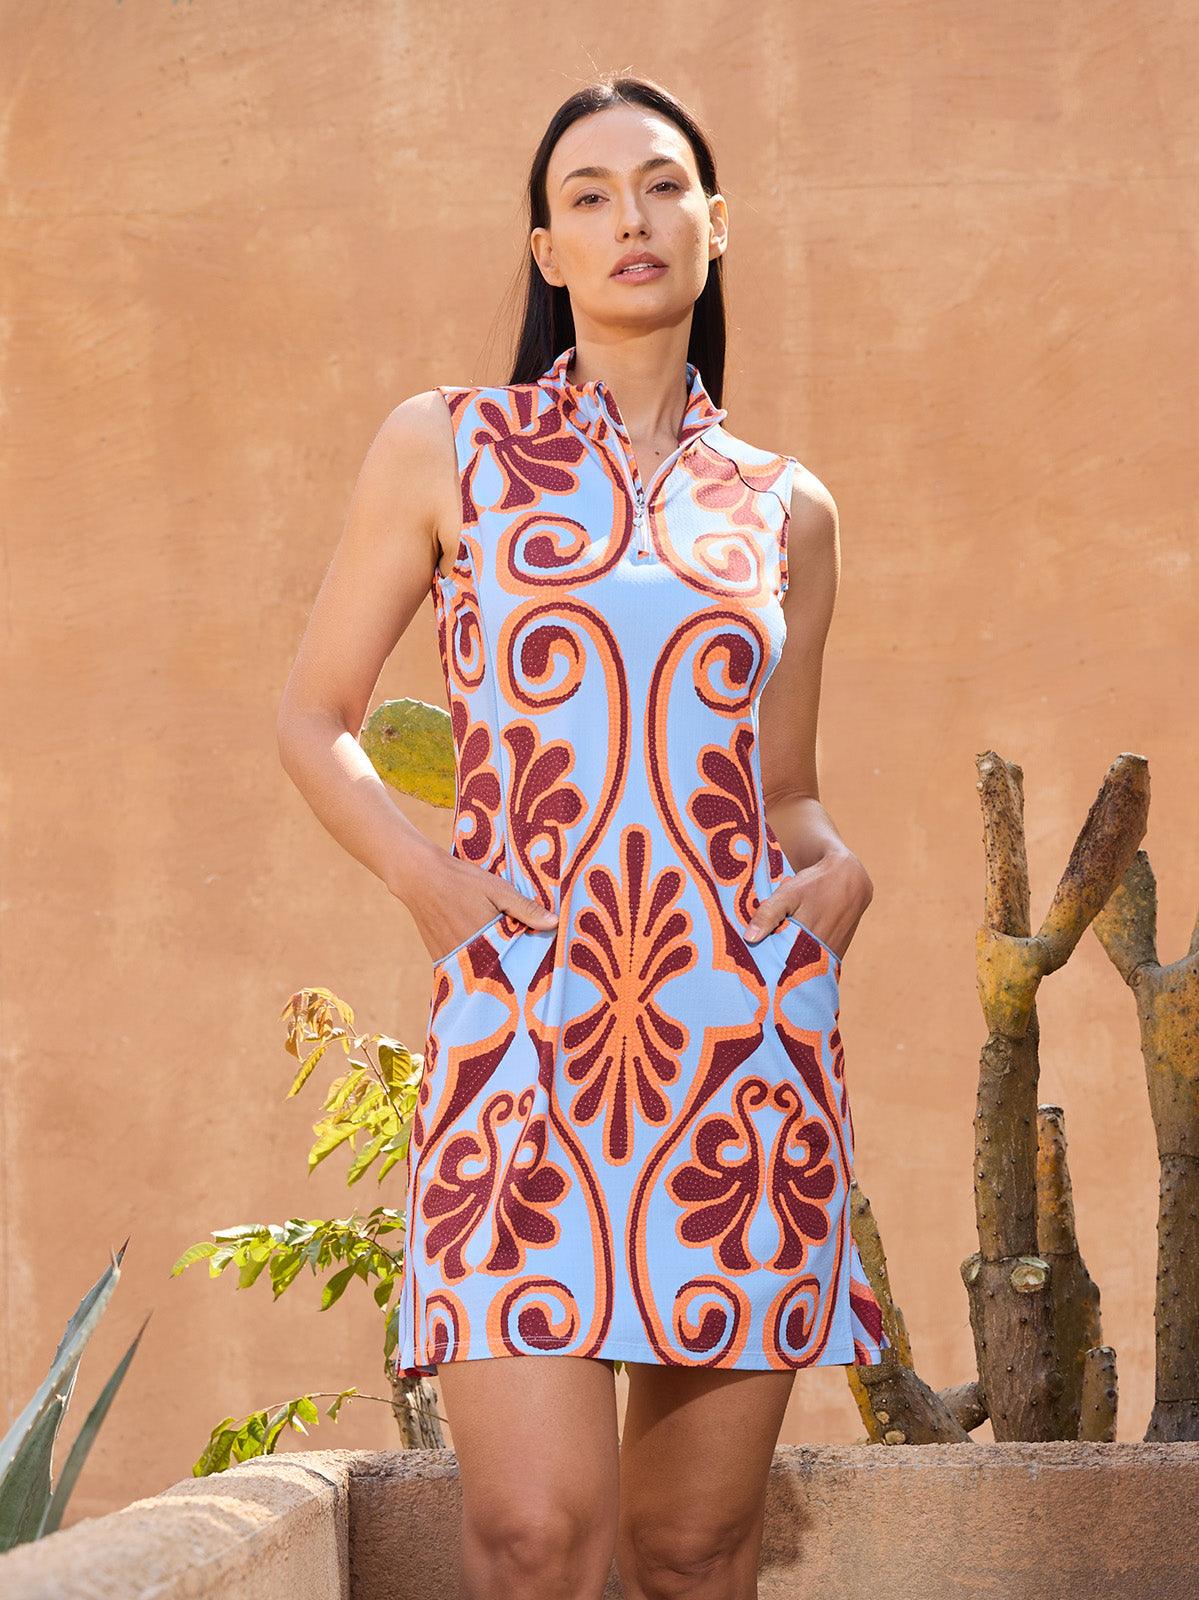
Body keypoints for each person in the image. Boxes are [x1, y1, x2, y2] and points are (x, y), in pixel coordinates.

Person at [278, 71, 886, 1600]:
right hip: (524, 1043)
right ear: (547, 251)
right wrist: (426, 883)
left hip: (738, 1058)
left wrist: (839, 875)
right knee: (533, 1536)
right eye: (591, 195)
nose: (634, 219)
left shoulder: (787, 508)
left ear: (716, 224)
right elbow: (314, 715)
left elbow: (784, 791)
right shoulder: (447, 446)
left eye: (665, 186)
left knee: (695, 1545)